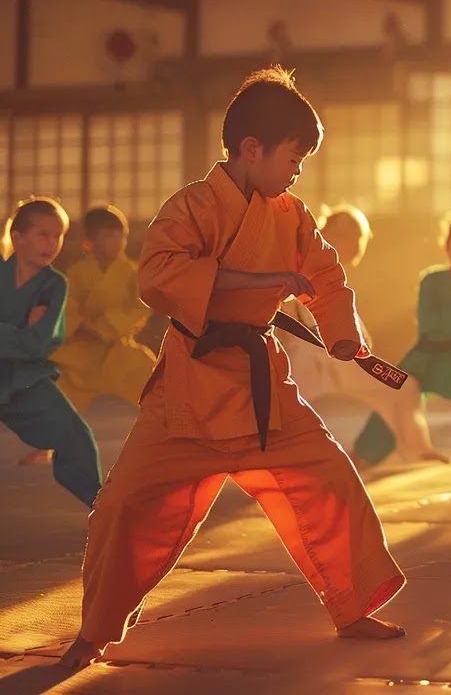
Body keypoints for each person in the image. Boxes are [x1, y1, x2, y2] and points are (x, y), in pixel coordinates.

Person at [60, 67, 406, 669]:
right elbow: (158, 278)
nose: (298, 173)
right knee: (121, 504)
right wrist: (260, 279)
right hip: (188, 391)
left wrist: (343, 335)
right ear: (252, 149)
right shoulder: (190, 207)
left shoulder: (291, 214)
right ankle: (93, 631)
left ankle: (351, 608)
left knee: (332, 476)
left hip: (262, 388)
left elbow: (324, 274)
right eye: (293, 159)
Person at [283, 205, 447, 466]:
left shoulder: (332, 264)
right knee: (275, 407)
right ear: (339, 233)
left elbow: (339, 306)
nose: (358, 250)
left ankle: (418, 448)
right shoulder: (299, 252)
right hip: (307, 357)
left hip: (345, 358)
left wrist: (359, 334)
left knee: (403, 387)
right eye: (357, 241)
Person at [351, 213, 451, 466]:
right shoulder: (431, 279)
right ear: (446, 246)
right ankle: (361, 455)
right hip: (424, 359)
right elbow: (428, 323)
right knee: (395, 396)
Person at [0, 197, 102, 506]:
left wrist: (13, 334)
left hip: (24, 381)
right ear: (18, 237)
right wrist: (20, 332)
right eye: (43, 234)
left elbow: (40, 343)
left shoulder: (54, 285)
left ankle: (103, 510)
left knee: (75, 435)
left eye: (58, 235)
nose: (52, 243)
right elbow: (28, 340)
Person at [50, 205, 158, 416]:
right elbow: (68, 305)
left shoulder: (132, 272)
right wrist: (82, 327)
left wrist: (109, 326)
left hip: (118, 347)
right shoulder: (77, 272)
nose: (118, 242)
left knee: (147, 371)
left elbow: (141, 308)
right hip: (84, 344)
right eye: (109, 236)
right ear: (91, 240)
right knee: (57, 372)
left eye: (122, 236)